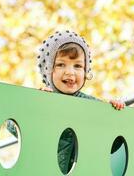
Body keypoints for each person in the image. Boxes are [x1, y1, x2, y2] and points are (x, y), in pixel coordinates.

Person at [37, 30, 125, 174]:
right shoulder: (43, 99)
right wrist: (37, 104)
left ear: (86, 71)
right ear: (48, 70)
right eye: (60, 64)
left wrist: (114, 112)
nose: (70, 72)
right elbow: (13, 126)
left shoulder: (91, 105)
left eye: (77, 66)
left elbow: (113, 143)